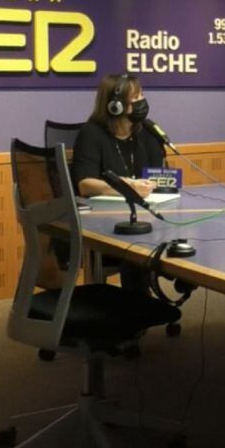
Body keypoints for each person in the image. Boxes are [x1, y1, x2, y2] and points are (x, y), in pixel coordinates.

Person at [72, 73, 165, 293]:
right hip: (107, 224)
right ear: (115, 106)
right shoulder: (91, 134)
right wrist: (126, 188)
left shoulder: (147, 131)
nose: (142, 101)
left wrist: (153, 185)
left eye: (141, 94)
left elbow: (159, 176)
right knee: (137, 254)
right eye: (135, 97)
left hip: (148, 215)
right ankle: (136, 317)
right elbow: (85, 184)